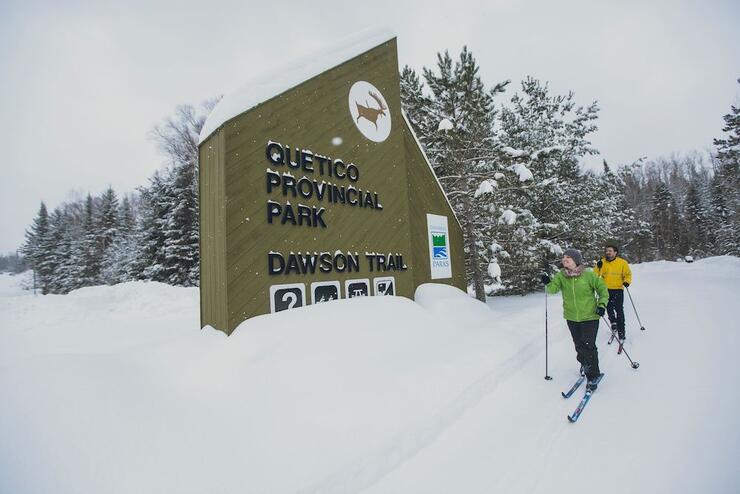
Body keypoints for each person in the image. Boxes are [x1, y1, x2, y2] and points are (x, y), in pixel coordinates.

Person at [541, 249, 609, 391]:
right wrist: (547, 283)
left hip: (590, 316)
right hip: (572, 317)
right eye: (563, 257)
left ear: (576, 260)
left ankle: (593, 375)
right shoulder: (561, 276)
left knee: (588, 345)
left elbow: (603, 290)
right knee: (578, 345)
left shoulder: (589, 275)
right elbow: (553, 289)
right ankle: (585, 364)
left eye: (568, 258)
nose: (564, 260)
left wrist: (602, 305)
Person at [594, 243, 632, 343]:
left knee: (619, 310)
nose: (608, 253)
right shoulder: (602, 262)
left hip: (618, 289)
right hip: (605, 290)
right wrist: (598, 267)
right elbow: (595, 275)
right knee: (609, 308)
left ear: (615, 252)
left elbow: (628, 274)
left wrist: (627, 281)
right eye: (607, 251)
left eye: (610, 251)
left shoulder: (622, 262)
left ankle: (621, 331)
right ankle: (613, 323)